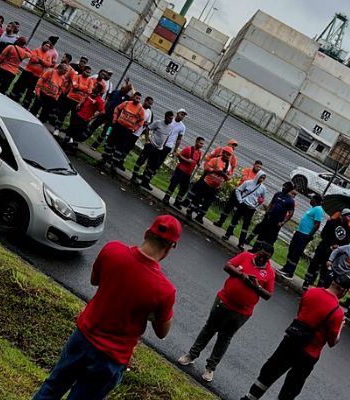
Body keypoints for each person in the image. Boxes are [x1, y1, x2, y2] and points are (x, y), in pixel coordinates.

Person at [32, 215, 181, 400]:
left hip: (82, 337)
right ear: (169, 248)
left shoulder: (113, 250)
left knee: (52, 387)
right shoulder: (165, 291)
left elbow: (95, 280)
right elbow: (162, 332)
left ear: (146, 234)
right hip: (110, 358)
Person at [240, 274, 350, 400]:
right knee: (292, 387)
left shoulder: (311, 292)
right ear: (343, 291)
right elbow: (332, 342)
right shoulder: (337, 313)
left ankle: (250, 397)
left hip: (291, 341)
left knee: (269, 372)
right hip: (309, 354)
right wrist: (341, 326)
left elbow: (300, 312)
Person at [178, 243, 275, 382]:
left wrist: (257, 287)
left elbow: (268, 295)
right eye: (261, 255)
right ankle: (191, 355)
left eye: (266, 258)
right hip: (224, 301)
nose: (262, 259)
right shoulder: (245, 256)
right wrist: (242, 276)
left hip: (242, 312)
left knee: (225, 338)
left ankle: (210, 367)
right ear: (258, 251)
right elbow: (227, 266)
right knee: (209, 329)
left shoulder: (270, 272)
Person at [302, 208, 350, 291]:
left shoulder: (348, 229)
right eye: (348, 216)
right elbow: (323, 234)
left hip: (333, 254)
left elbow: (346, 243)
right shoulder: (331, 222)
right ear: (343, 215)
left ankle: (319, 288)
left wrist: (338, 246)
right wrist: (330, 244)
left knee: (325, 271)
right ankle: (307, 282)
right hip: (323, 248)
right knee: (314, 266)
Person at [280, 194, 324, 280]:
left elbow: (317, 225)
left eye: (311, 198)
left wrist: (309, 235)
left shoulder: (318, 210)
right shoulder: (312, 208)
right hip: (299, 232)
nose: (310, 200)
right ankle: (286, 267)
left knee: (296, 253)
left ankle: (290, 272)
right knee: (292, 249)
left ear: (315, 200)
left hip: (305, 234)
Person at [187, 147, 234, 224]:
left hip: (215, 188)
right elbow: (207, 168)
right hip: (206, 183)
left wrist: (225, 176)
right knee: (198, 197)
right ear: (223, 153)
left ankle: (200, 216)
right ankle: (190, 211)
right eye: (226, 154)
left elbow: (229, 177)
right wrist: (215, 171)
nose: (227, 156)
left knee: (207, 203)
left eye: (229, 155)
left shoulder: (229, 166)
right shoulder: (215, 160)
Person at [101, 92, 146, 172]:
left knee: (120, 147)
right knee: (110, 143)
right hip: (118, 126)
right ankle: (104, 159)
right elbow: (117, 109)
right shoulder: (126, 103)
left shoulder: (140, 109)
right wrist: (114, 120)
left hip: (127, 130)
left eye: (139, 98)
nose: (137, 99)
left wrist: (134, 129)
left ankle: (114, 164)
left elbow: (142, 121)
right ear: (133, 97)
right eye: (136, 97)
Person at [130, 111, 175, 190]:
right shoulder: (158, 123)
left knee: (152, 166)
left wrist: (163, 146)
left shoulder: (171, 127)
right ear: (166, 117)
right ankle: (134, 176)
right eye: (170, 118)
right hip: (151, 146)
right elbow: (148, 128)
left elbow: (167, 136)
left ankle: (145, 181)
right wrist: (147, 140)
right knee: (141, 160)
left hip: (159, 149)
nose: (171, 120)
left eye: (172, 119)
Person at [223, 171, 267, 250]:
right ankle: (227, 234)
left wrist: (256, 206)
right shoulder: (248, 183)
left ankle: (241, 242)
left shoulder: (263, 188)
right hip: (243, 205)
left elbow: (262, 199)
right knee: (234, 220)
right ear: (257, 176)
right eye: (261, 177)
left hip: (251, 208)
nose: (261, 179)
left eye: (263, 178)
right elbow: (238, 190)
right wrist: (240, 200)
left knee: (245, 226)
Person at [214, 160, 263, 227]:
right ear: (254, 165)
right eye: (257, 166)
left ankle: (231, 228)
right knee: (228, 207)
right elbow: (244, 179)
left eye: (260, 168)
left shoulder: (258, 176)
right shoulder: (247, 170)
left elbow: (257, 186)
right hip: (238, 191)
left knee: (239, 213)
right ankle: (220, 221)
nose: (259, 169)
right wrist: (252, 183)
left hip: (245, 196)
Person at [246, 182, 296, 247]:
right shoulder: (278, 194)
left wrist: (282, 222)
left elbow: (290, 214)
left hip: (276, 222)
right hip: (268, 218)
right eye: (284, 186)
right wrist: (267, 212)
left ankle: (259, 248)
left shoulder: (290, 201)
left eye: (286, 187)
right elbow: (271, 203)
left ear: (290, 189)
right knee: (259, 229)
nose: (284, 188)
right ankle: (251, 243)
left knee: (268, 236)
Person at [89, 81, 132, 149]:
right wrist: (102, 108)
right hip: (105, 113)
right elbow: (107, 100)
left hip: (113, 118)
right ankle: (82, 137)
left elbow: (135, 95)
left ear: (127, 91)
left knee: (105, 132)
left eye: (124, 88)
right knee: (94, 125)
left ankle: (95, 145)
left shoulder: (128, 99)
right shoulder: (115, 92)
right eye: (122, 87)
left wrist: (131, 87)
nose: (122, 88)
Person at [163, 136, 204, 208]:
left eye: (202, 144)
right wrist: (186, 160)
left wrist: (198, 163)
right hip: (180, 170)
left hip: (188, 173)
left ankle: (177, 202)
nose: (202, 145)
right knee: (173, 184)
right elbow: (178, 155)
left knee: (184, 188)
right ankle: (166, 198)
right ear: (196, 142)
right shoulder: (188, 149)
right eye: (200, 143)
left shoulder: (199, 152)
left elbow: (196, 161)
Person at [9, 40, 53, 107]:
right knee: (21, 85)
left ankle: (26, 102)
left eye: (49, 47)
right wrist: (43, 62)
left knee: (31, 90)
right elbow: (33, 59)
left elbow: (48, 64)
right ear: (42, 45)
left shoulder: (48, 55)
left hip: (37, 76)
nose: (47, 48)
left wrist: (40, 60)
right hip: (28, 72)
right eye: (46, 46)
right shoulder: (36, 50)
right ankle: (15, 96)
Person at [63, 83, 105, 150]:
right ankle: (64, 144)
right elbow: (85, 98)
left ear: (98, 90)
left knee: (77, 134)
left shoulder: (99, 100)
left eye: (95, 87)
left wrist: (91, 118)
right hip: (79, 114)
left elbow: (102, 111)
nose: (93, 87)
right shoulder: (90, 94)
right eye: (94, 86)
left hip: (85, 119)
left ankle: (72, 149)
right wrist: (80, 104)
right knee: (71, 129)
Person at [116, 96, 153, 170]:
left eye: (151, 104)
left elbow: (147, 124)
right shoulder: (138, 107)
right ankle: (115, 158)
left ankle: (121, 160)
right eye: (149, 103)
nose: (149, 105)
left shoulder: (149, 112)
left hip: (137, 133)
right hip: (129, 130)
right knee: (122, 144)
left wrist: (144, 124)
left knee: (128, 148)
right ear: (145, 101)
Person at [56, 65, 93, 132]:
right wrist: (85, 89)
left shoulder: (90, 81)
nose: (88, 74)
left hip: (78, 102)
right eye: (87, 72)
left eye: (89, 73)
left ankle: (69, 132)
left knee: (74, 119)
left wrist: (80, 88)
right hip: (70, 98)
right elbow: (75, 86)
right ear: (83, 71)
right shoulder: (77, 76)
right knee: (62, 114)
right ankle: (57, 129)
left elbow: (89, 91)